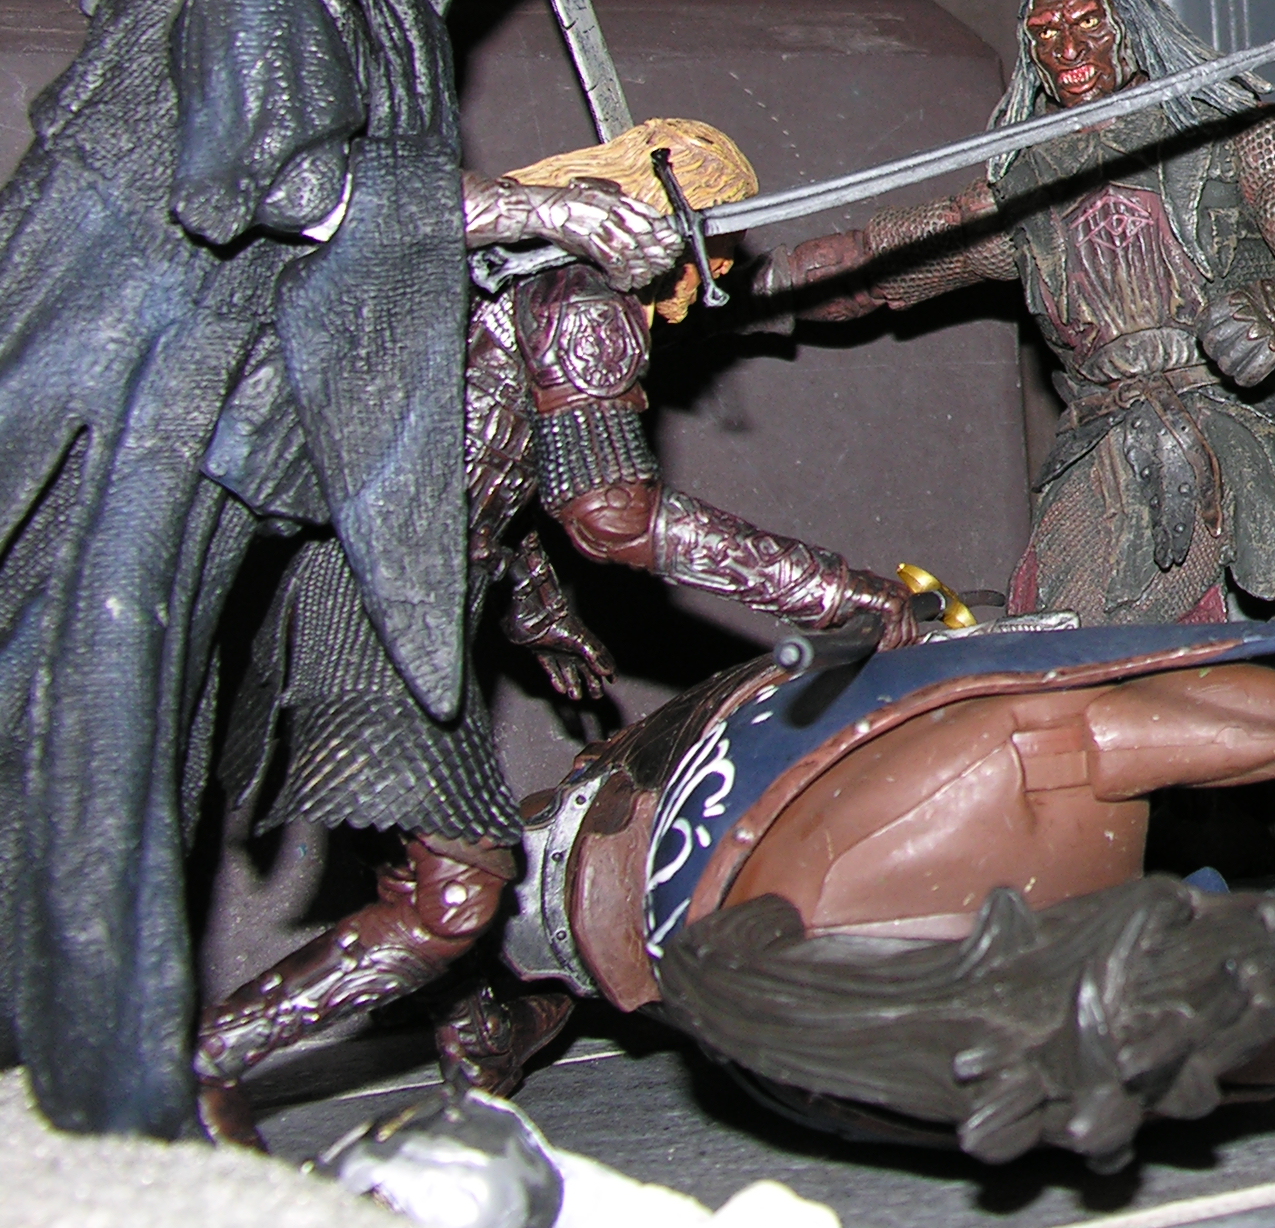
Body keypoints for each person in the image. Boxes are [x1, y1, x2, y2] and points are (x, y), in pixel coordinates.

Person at [0, 0, 674, 1137]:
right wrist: (547, 211)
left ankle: (96, 1084)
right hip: (114, 424)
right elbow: (283, 187)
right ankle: (109, 1098)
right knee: (91, 742)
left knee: (132, 754)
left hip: (181, 433)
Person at [752, 0, 1275, 983]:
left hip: (1244, 429)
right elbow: (875, 265)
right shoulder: (1027, 183)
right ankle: (1083, 908)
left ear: (1130, 20)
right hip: (1104, 455)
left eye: (1085, 19)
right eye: (1045, 30)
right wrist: (740, 278)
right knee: (1050, 681)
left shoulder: (1246, 138)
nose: (1067, 43)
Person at [195, 117, 918, 1140]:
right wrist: (836, 593)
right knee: (455, 895)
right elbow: (613, 515)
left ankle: (482, 1026)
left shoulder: (522, 278)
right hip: (379, 605)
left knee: (432, 859)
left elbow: (490, 462)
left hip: (381, 588)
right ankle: (207, 1064)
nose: (717, 263)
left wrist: (536, 610)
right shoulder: (586, 303)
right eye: (718, 233)